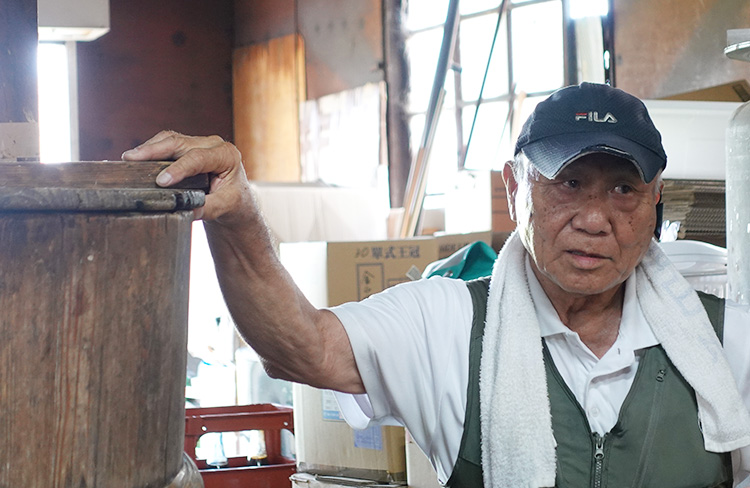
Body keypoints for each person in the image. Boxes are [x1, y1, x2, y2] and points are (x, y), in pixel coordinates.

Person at [123, 82, 750, 487]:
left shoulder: (723, 336)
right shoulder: (450, 324)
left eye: (623, 188)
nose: (594, 218)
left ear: (656, 199)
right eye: (567, 182)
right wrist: (238, 220)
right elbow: (302, 347)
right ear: (514, 187)